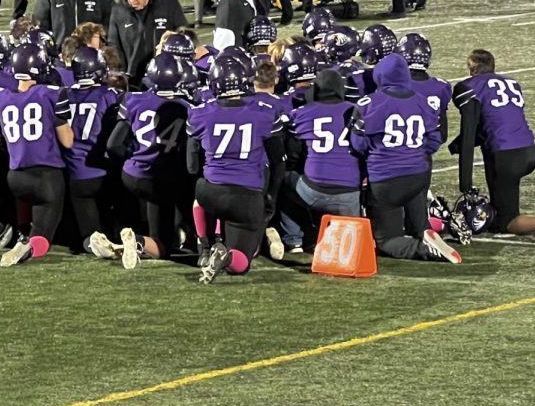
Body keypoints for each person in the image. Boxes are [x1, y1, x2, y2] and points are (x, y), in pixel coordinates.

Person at [451, 49, 535, 241]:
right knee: (500, 211)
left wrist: (466, 185)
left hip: (506, 156)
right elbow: (497, 122)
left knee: (507, 222)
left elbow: (470, 134)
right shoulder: (511, 83)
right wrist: (455, 145)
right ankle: (504, 215)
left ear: (471, 68)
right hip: (529, 151)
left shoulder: (468, 87)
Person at [349, 54, 459, 263]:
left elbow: (358, 144)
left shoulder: (370, 103)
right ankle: (424, 232)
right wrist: (414, 153)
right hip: (418, 176)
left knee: (386, 240)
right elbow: (435, 138)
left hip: (386, 179)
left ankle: (423, 249)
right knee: (417, 223)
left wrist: (379, 151)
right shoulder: (423, 101)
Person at [187, 53, 287, 282]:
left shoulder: (199, 113)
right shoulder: (264, 112)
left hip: (209, 192)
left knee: (199, 190)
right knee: (241, 262)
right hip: (247, 197)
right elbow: (278, 161)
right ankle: (226, 258)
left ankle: (204, 247)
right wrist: (270, 195)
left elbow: (191, 165)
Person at [0, 42, 74, 267]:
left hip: (16, 176)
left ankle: (22, 239)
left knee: (29, 213)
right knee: (44, 235)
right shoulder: (50, 94)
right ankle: (30, 247)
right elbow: (67, 140)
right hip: (46, 175)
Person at [110, 53, 196, 266]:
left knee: (143, 195)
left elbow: (114, 145)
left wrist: (135, 160)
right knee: (164, 246)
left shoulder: (134, 100)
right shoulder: (186, 108)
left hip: (132, 174)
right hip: (164, 179)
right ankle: (140, 241)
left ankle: (122, 235)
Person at [283, 68, 363, 253]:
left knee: (284, 179)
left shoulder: (303, 113)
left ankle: (294, 240)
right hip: (350, 195)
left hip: (313, 191)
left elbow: (294, 152)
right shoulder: (356, 111)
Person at [63, 47, 121, 260]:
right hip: (103, 171)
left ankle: (92, 242)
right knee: (114, 217)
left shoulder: (63, 95)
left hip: (76, 173)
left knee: (89, 232)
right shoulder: (109, 96)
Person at [107, 0, 187, 86]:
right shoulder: (118, 11)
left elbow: (183, 36)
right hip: (132, 79)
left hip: (165, 76)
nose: (132, 1)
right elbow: (113, 44)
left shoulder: (170, 5)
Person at [397, 33, 450, 143]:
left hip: (398, 148)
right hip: (427, 148)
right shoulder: (441, 86)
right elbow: (442, 134)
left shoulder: (396, 85)